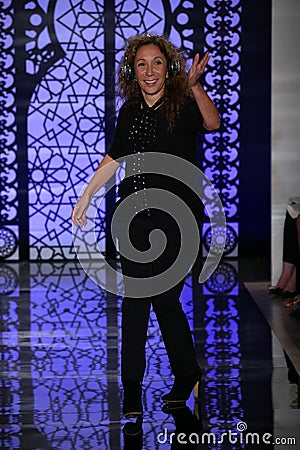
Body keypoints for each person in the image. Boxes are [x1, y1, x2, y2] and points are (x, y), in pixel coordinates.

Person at [71, 33, 220, 418]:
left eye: (156, 63)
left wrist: (195, 86)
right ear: (132, 72)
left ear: (167, 68)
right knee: (136, 304)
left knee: (167, 301)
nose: (149, 71)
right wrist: (87, 194)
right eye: (141, 64)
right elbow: (114, 156)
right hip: (134, 217)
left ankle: (186, 374)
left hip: (179, 218)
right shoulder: (129, 111)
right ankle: (133, 391)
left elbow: (213, 122)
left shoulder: (184, 104)